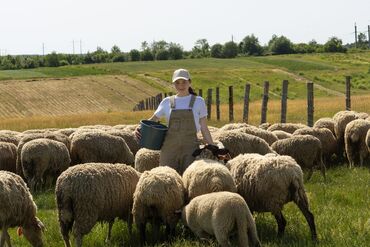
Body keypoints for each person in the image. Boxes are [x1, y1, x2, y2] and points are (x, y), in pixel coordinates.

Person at [135, 68, 215, 174]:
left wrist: (214, 148)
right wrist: (139, 129)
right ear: (173, 84)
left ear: (189, 82)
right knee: (166, 179)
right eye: (177, 82)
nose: (181, 85)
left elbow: (204, 128)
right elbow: (152, 121)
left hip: (190, 150)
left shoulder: (199, 101)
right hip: (169, 150)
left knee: (191, 180)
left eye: (184, 82)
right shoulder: (166, 102)